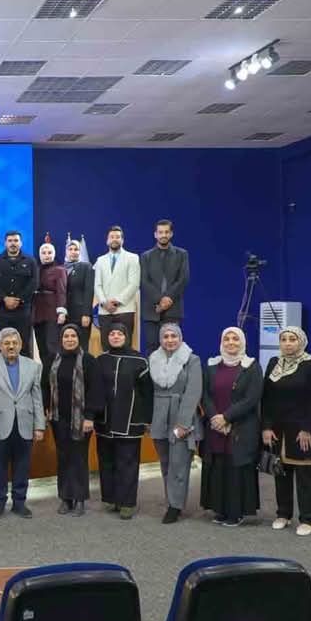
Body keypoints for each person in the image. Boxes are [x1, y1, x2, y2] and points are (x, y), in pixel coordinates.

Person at [262, 326, 311, 537]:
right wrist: (266, 426)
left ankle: (308, 518)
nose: (288, 343)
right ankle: (283, 513)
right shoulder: (274, 363)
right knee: (281, 472)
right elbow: (267, 398)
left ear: (301, 342)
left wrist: (307, 428)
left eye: (292, 339)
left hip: (302, 429)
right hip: (278, 429)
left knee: (305, 475)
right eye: (284, 339)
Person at [200, 327, 262, 528]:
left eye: (235, 339)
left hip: (241, 427)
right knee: (218, 466)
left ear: (242, 342)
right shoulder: (211, 366)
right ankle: (220, 509)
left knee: (237, 468)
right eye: (227, 339)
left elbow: (252, 398)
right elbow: (205, 395)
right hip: (215, 427)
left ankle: (236, 512)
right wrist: (215, 418)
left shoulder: (252, 367)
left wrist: (227, 417)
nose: (231, 342)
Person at [0, 327, 45, 519]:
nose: (11, 346)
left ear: (21, 345)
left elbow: (37, 398)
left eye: (14, 343)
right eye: (7, 343)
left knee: (22, 467)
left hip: (25, 424)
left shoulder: (33, 366)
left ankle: (19, 503)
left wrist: (39, 425)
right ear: (0, 345)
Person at [95, 323, 152, 519]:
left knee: (127, 463)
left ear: (127, 336)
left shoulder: (140, 361)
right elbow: (95, 390)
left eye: (120, 333)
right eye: (112, 333)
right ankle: (111, 498)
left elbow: (147, 394)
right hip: (105, 421)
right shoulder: (101, 360)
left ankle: (127, 503)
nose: (116, 336)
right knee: (107, 460)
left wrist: (146, 420)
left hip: (130, 421)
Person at [44, 324, 102, 517]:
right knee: (63, 458)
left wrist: (90, 417)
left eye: (73, 336)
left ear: (79, 339)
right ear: (61, 339)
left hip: (81, 420)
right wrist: (45, 408)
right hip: (58, 418)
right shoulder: (52, 360)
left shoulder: (88, 360)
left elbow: (95, 391)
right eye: (66, 336)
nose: (69, 339)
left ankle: (80, 499)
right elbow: (45, 386)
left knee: (79, 458)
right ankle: (65, 498)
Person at [149, 323, 202, 524]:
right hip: (159, 417)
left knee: (179, 464)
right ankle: (170, 499)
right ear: (160, 339)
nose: (170, 340)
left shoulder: (192, 360)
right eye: (166, 336)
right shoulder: (153, 359)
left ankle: (175, 506)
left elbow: (193, 392)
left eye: (174, 336)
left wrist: (183, 423)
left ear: (180, 338)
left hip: (180, 415)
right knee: (165, 463)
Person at [140, 220, 190, 354]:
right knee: (152, 349)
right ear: (155, 234)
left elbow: (183, 279)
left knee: (173, 349)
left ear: (171, 234)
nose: (163, 235)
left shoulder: (182, 254)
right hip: (152, 311)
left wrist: (168, 298)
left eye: (166, 232)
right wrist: (160, 300)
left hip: (173, 310)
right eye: (160, 232)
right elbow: (144, 281)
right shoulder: (145, 256)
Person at [0, 231, 39, 355]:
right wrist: (4, 298)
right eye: (10, 241)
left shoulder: (30, 261)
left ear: (21, 243)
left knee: (24, 346)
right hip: (1, 310)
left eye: (16, 241)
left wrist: (19, 299)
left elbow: (34, 283)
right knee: (0, 346)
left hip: (23, 310)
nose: (13, 243)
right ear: (5, 243)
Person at [93, 226, 140, 350]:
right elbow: (97, 285)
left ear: (122, 240)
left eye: (117, 237)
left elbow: (134, 284)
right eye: (112, 237)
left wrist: (117, 301)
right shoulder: (100, 260)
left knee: (125, 347)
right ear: (107, 241)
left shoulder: (133, 258)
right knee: (106, 347)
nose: (114, 239)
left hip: (124, 310)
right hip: (105, 311)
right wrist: (104, 302)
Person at [33, 242, 67, 368]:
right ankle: (46, 374)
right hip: (37, 313)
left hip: (52, 312)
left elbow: (62, 291)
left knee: (52, 347)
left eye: (49, 253)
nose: (46, 255)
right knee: (42, 347)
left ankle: (54, 373)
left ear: (54, 254)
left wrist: (61, 312)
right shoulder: (36, 270)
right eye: (43, 253)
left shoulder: (60, 270)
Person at [63, 239, 95, 351]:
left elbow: (89, 291)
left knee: (82, 346)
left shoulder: (86, 266)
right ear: (66, 251)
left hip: (81, 314)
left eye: (76, 249)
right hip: (65, 314)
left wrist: (86, 314)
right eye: (70, 249)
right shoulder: (61, 268)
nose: (73, 252)